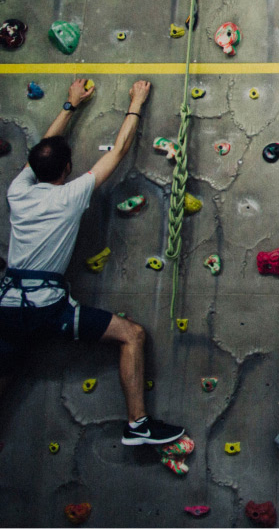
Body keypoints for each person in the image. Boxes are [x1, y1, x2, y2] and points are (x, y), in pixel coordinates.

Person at [1, 79, 185, 447]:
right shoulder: (70, 196)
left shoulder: (18, 191)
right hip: (47, 308)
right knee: (131, 335)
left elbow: (40, 154)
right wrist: (137, 102)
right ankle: (137, 424)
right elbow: (118, 150)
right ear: (67, 168)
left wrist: (70, 105)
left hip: (7, 306)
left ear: (34, 168)